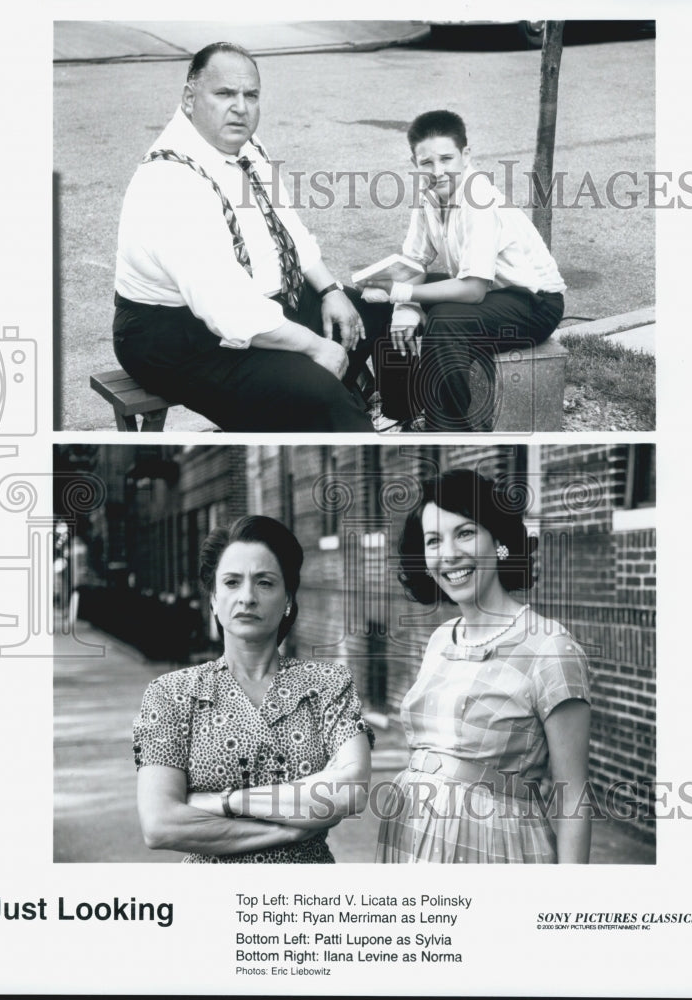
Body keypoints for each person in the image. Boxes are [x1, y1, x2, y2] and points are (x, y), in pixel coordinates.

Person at [114, 41, 392, 432]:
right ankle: (342, 434)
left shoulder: (244, 146)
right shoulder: (170, 181)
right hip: (177, 337)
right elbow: (228, 310)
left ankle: (355, 417)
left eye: (251, 95)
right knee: (317, 394)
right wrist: (314, 347)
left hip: (254, 303)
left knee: (371, 312)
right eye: (225, 94)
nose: (241, 107)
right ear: (190, 98)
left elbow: (287, 226)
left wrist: (330, 290)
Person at [376, 469, 591, 863]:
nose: (449, 554)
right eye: (433, 540)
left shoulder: (550, 648)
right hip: (411, 836)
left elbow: (572, 796)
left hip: (494, 848)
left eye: (465, 533)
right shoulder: (441, 639)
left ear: (499, 542)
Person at [134, 515, 373, 863]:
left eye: (264, 582)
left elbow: (350, 791)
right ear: (214, 599)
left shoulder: (327, 686)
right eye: (231, 582)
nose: (247, 597)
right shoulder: (171, 694)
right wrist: (287, 830)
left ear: (288, 598)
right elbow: (161, 825)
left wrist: (225, 801)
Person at [358, 110, 566, 431]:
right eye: (426, 163)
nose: (437, 171)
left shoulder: (478, 198)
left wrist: (404, 293)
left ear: (466, 155)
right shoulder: (429, 195)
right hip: (494, 295)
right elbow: (413, 261)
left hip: (535, 303)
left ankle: (449, 430)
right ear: (415, 163)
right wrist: (404, 307)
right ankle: (400, 410)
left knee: (446, 320)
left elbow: (472, 290)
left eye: (446, 159)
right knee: (388, 298)